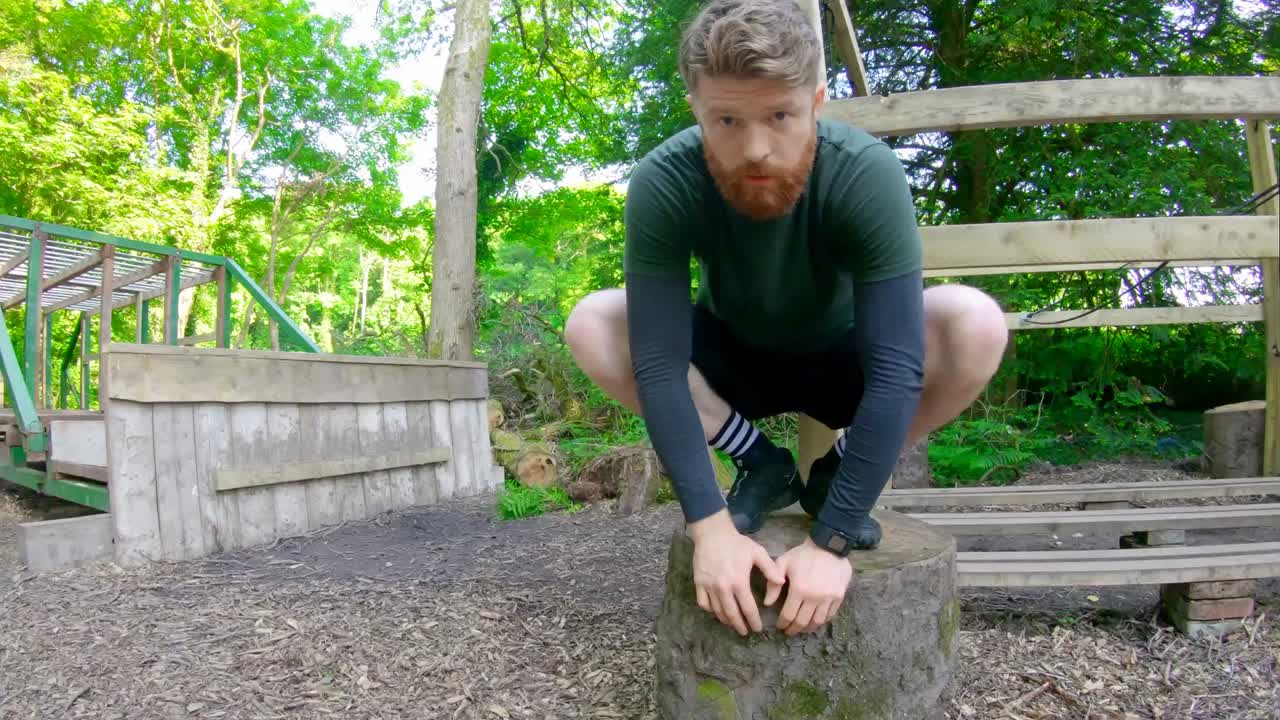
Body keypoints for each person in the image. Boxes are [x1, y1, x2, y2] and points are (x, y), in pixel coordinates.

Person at [564, 0, 1007, 639]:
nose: (755, 149)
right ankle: (762, 464)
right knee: (594, 321)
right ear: (695, 108)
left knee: (975, 322)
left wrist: (829, 545)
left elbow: (897, 368)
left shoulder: (865, 172)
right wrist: (709, 527)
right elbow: (659, 364)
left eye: (780, 115)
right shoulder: (665, 179)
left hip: (844, 362)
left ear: (817, 103)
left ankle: (832, 475)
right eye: (726, 119)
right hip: (732, 364)